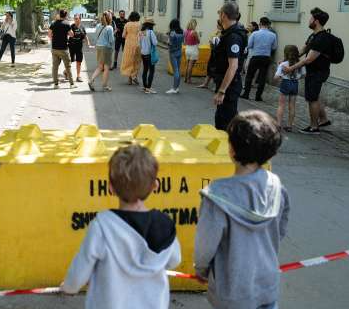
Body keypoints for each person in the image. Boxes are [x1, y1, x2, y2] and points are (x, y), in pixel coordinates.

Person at [61, 145, 181, 309]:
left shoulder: (103, 226)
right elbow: (175, 260)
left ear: (110, 187)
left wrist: (69, 287)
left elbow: (81, 268)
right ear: (155, 186)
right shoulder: (165, 225)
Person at [195, 110, 289, 309]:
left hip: (231, 291)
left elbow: (205, 244)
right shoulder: (276, 187)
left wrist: (202, 269)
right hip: (266, 285)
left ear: (231, 149)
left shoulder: (216, 195)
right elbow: (279, 230)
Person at [284, 8, 334, 134]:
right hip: (313, 71)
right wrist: (288, 60)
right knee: (314, 96)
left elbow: (309, 59)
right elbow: (303, 50)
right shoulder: (313, 36)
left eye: (311, 18)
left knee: (312, 99)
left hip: (318, 72)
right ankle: (324, 119)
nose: (309, 20)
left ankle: (314, 127)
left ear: (316, 21)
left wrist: (291, 68)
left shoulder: (321, 38)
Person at [213, 3, 247, 130]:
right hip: (228, 83)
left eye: (220, 14)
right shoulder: (230, 33)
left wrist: (222, 91)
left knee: (225, 123)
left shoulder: (233, 36)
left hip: (230, 86)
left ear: (223, 15)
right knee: (226, 119)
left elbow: (233, 66)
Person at [241, 17, 277, 102]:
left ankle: (246, 94)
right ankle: (258, 96)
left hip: (255, 56)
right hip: (266, 57)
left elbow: (249, 45)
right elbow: (274, 47)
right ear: (268, 25)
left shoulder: (255, 34)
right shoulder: (273, 35)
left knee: (249, 75)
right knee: (262, 78)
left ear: (260, 24)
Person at [274, 45, 305, 132]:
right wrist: (297, 77)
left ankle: (278, 124)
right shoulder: (300, 64)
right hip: (295, 83)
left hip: (285, 83)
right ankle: (289, 126)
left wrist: (281, 74)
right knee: (292, 106)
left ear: (286, 54)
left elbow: (276, 77)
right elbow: (304, 75)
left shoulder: (283, 64)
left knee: (281, 105)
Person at [48, 9, 75, 89]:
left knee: (55, 67)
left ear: (59, 14)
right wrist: (66, 33)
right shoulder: (67, 24)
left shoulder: (53, 23)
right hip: (64, 48)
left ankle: (56, 84)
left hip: (55, 48)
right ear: (66, 15)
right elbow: (72, 34)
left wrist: (54, 38)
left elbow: (49, 34)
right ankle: (71, 84)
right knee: (68, 66)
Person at [88, 11, 114, 92]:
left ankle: (91, 80)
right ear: (109, 18)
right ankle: (105, 85)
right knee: (106, 68)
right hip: (106, 48)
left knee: (100, 67)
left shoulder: (98, 26)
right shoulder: (109, 28)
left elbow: (96, 36)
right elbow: (111, 40)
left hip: (99, 47)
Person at [197, 20, 222, 90]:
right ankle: (205, 84)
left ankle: (216, 85)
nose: (217, 26)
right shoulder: (217, 32)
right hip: (213, 52)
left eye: (218, 25)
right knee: (210, 67)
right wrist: (211, 42)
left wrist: (213, 43)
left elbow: (219, 43)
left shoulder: (222, 33)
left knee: (216, 69)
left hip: (218, 53)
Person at [120, 11, 142, 85]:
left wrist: (129, 36)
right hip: (137, 44)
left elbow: (123, 35)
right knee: (136, 61)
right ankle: (134, 76)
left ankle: (130, 79)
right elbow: (141, 34)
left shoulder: (127, 24)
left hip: (128, 44)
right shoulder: (139, 24)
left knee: (129, 61)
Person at [69, 14, 91, 82]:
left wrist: (88, 44)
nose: (76, 20)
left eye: (77, 18)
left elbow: (85, 36)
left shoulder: (82, 27)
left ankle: (78, 76)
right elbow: (67, 34)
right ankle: (65, 72)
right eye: (75, 18)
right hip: (71, 46)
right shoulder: (71, 26)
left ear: (80, 19)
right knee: (70, 61)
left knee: (79, 61)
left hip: (79, 47)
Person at [138, 17, 158, 94]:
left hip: (143, 53)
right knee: (151, 70)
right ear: (151, 25)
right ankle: (148, 88)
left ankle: (145, 86)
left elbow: (139, 43)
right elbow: (155, 43)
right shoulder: (150, 32)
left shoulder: (141, 32)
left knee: (145, 69)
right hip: (150, 53)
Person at [166, 19, 184, 94]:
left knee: (175, 70)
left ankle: (174, 88)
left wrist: (168, 42)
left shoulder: (172, 32)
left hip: (173, 53)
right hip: (179, 51)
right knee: (178, 70)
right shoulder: (181, 31)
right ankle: (177, 87)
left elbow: (170, 43)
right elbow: (182, 41)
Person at [184, 19, 200, 84]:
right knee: (191, 65)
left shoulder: (185, 31)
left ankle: (185, 78)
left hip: (187, 48)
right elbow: (198, 41)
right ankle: (189, 79)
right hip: (193, 49)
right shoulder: (194, 32)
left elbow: (185, 41)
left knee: (188, 64)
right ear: (194, 25)